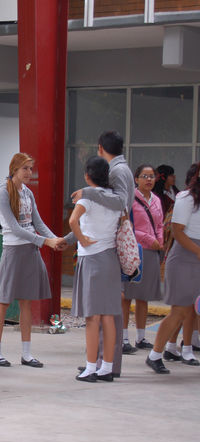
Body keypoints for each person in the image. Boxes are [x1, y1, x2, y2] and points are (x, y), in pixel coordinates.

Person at [67, 130, 134, 378]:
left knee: (92, 318)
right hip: (110, 257)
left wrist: (82, 239)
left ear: (87, 175)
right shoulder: (113, 199)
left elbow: (73, 221)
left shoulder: (87, 197)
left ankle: (91, 367)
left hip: (91, 258)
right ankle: (106, 367)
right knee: (108, 314)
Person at [0, 153, 66, 369]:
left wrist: (54, 239)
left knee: (26, 302)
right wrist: (45, 242)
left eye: (31, 169)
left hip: (31, 250)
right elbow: (13, 228)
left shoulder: (28, 193)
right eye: (25, 168)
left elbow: (38, 222)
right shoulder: (3, 192)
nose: (29, 173)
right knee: (3, 300)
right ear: (14, 169)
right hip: (13, 250)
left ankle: (27, 353)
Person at [146, 162, 200, 374]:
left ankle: (172, 350)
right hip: (185, 258)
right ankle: (155, 354)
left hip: (194, 255)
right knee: (180, 310)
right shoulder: (185, 198)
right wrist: (197, 251)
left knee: (191, 310)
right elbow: (177, 231)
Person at [120, 164, 163, 354]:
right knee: (127, 296)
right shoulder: (130, 199)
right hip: (134, 250)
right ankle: (123, 338)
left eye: (152, 176)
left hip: (153, 251)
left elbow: (160, 224)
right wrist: (148, 238)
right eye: (144, 176)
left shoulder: (157, 200)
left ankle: (141, 336)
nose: (149, 179)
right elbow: (126, 224)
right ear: (136, 179)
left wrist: (160, 239)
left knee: (143, 296)